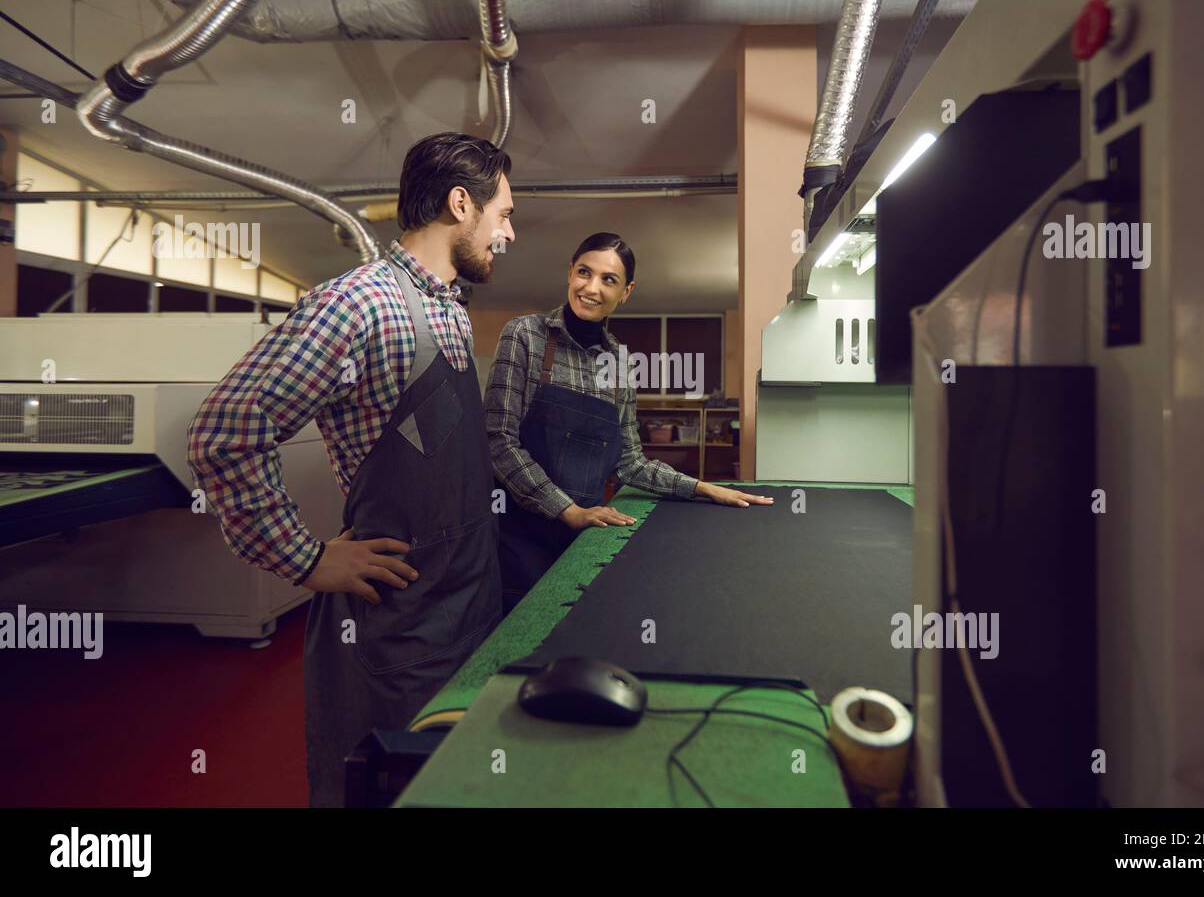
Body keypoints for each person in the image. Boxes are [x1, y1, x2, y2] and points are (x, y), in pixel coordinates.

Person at [187, 132, 515, 807]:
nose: (509, 233)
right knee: (387, 787)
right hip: (398, 626)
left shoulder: (449, 313)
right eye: (503, 214)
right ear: (461, 204)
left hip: (467, 602)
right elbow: (227, 430)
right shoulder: (359, 304)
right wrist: (305, 560)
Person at [485, 232, 772, 613]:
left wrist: (703, 488)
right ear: (570, 273)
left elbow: (629, 462)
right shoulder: (525, 335)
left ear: (626, 291)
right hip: (518, 538)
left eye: (609, 280)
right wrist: (566, 510)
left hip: (584, 537)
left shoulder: (619, 362)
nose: (591, 288)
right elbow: (498, 441)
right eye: (584, 272)